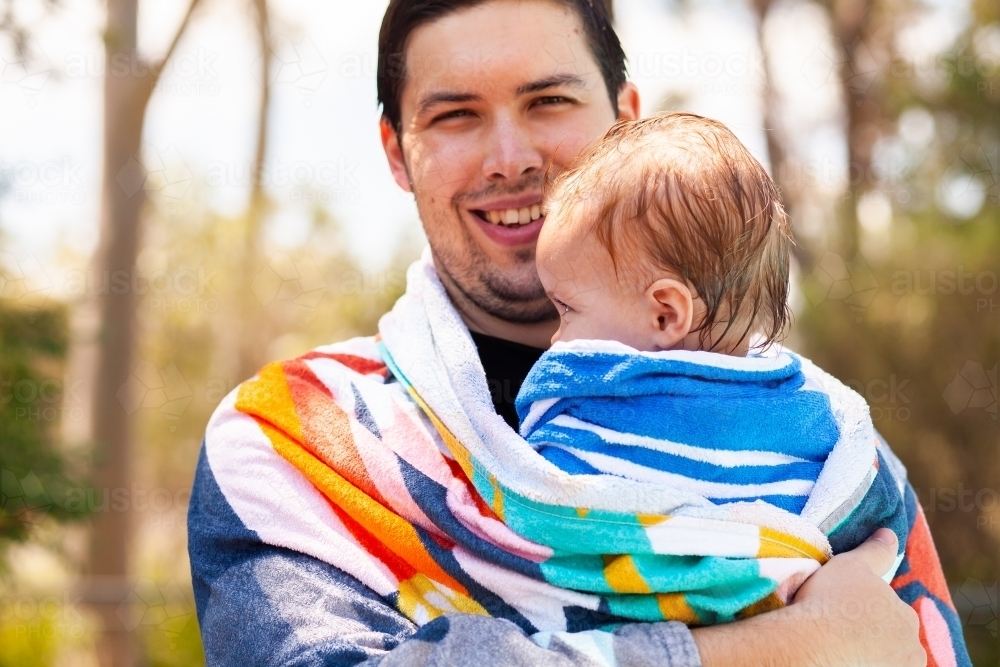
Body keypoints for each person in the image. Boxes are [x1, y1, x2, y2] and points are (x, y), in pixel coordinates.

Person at [187, 1, 956, 665]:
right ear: (397, 152)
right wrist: (789, 647)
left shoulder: (819, 446)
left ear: (627, 118)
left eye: (548, 100)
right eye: (455, 115)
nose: (511, 158)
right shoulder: (296, 442)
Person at [516, 113, 969, 663]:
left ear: (665, 314)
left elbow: (531, 521)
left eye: (566, 309)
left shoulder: (589, 407)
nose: (555, 340)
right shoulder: (821, 427)